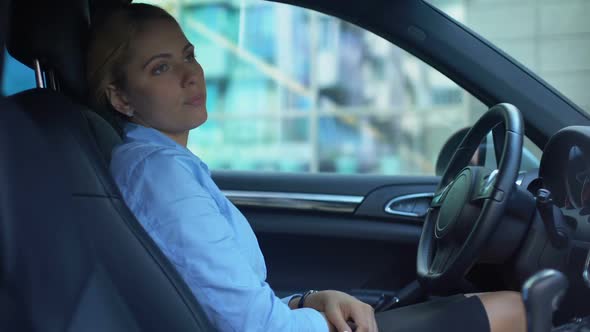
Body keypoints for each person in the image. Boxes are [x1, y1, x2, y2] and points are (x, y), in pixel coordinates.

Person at [86, 4, 526, 332]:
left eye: (188, 54)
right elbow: (250, 326)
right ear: (121, 99)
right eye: (160, 68)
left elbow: (218, 298)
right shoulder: (160, 177)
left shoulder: (159, 163)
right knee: (513, 310)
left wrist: (307, 302)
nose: (190, 75)